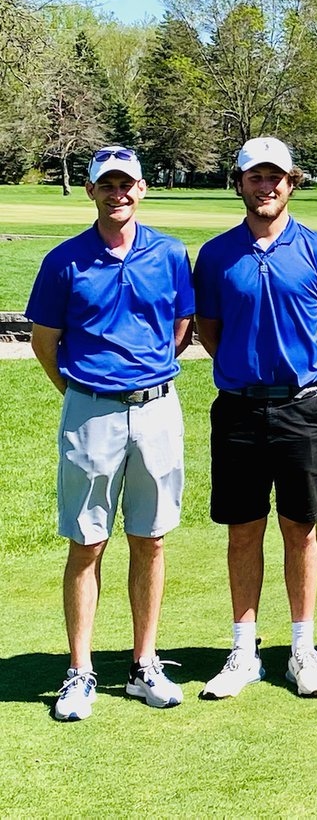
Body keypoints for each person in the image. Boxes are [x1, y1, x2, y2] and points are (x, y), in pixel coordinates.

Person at [28, 146, 193, 720]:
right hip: (90, 410)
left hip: (156, 408)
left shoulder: (170, 254)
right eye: (107, 185)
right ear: (94, 191)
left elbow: (179, 326)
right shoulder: (65, 261)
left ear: (142, 190)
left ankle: (144, 664)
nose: (117, 194)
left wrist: (140, 382)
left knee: (150, 538)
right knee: (87, 541)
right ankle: (80, 671)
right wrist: (83, 394)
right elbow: (44, 343)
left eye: (126, 185)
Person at [194, 136, 317, 699]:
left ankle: (302, 649)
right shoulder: (215, 255)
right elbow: (208, 330)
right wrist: (245, 368)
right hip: (238, 406)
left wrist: (294, 372)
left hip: (301, 406)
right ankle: (245, 651)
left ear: (291, 182)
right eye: (255, 177)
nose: (267, 186)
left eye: (276, 177)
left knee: (300, 527)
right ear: (239, 183)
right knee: (243, 529)